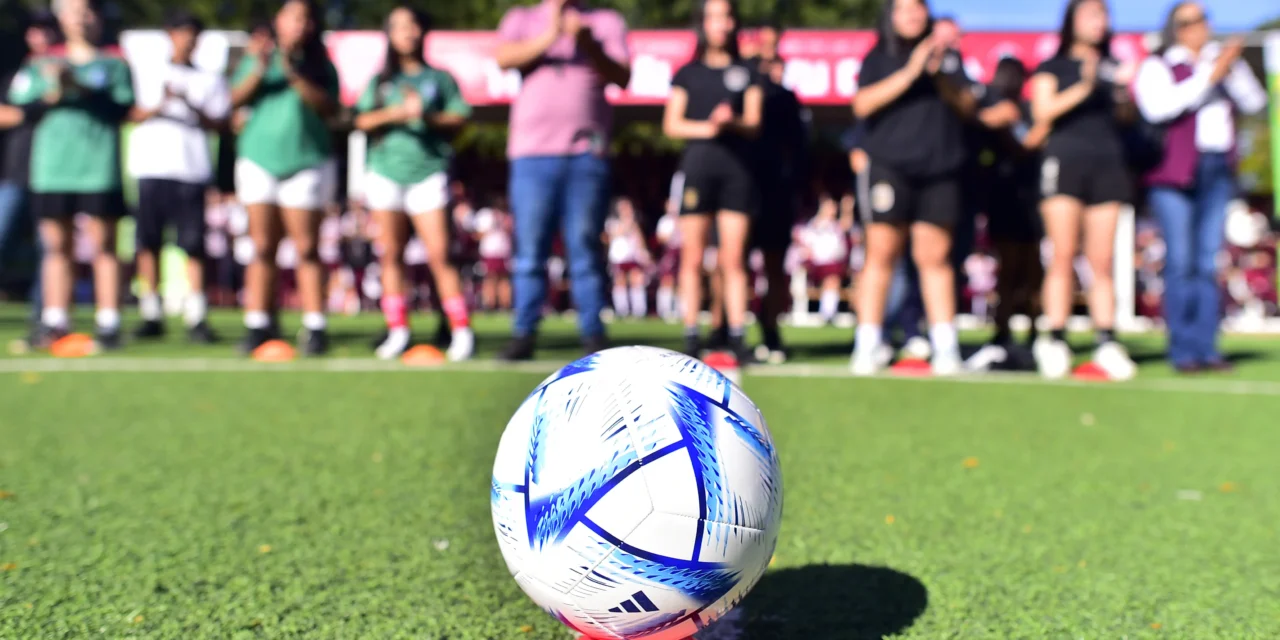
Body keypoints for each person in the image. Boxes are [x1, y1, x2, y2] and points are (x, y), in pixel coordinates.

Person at [493, 0, 631, 361]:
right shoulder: (522, 18)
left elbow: (623, 77)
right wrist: (551, 33)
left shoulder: (604, 21)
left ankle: (593, 333)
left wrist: (588, 44)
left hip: (586, 154)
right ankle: (524, 332)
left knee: (584, 248)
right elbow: (503, 58)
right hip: (531, 155)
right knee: (529, 250)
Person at [1134, 1, 1266, 373]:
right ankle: (1183, 350)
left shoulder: (1223, 62)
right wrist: (1209, 75)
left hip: (1217, 169)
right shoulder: (1159, 65)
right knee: (1180, 261)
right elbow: (1159, 109)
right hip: (1172, 174)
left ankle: (1208, 348)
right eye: (1189, 21)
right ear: (1176, 28)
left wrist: (1229, 70)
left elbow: (1255, 102)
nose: (1200, 27)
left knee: (1209, 262)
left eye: (1203, 19)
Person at [849, 0, 975, 376]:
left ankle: (946, 347)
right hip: (889, 167)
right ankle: (868, 344)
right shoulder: (878, 58)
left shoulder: (948, 59)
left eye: (918, 7)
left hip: (939, 169)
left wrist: (939, 76)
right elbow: (861, 104)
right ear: (891, 16)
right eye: (904, 9)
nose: (913, 15)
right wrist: (911, 71)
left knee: (936, 258)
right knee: (881, 255)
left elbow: (969, 107)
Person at [7, 0, 134, 349]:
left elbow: (122, 108)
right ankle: (54, 321)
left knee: (104, 245)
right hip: (53, 168)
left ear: (98, 18)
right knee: (56, 246)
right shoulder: (41, 64)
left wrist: (78, 85)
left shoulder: (114, 63)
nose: (80, 19)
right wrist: (53, 92)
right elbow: (22, 109)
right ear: (62, 19)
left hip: (98, 167)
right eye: (73, 12)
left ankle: (108, 323)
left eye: (87, 12)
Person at [354, 5, 475, 361]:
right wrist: (396, 113)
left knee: (440, 254)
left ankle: (461, 331)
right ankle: (398, 330)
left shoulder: (440, 78)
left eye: (413, 26)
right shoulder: (381, 81)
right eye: (400, 26)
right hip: (385, 173)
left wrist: (427, 115)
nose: (408, 32)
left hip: (428, 172)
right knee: (391, 254)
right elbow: (361, 120)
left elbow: (460, 117)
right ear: (389, 34)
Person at [1030, 0, 1139, 379]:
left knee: (1102, 260)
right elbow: (1042, 111)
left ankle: (1106, 340)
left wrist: (1122, 92)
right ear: (1072, 21)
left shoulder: (1115, 67)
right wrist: (1085, 85)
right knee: (1062, 254)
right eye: (1090, 13)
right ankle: (1055, 338)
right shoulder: (1053, 66)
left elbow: (1127, 119)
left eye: (1103, 14)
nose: (1098, 21)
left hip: (1107, 164)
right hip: (1065, 162)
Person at [231, 0, 339, 356]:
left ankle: (315, 325)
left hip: (306, 161)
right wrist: (260, 68)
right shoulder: (256, 57)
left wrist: (293, 73)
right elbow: (232, 99)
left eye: (306, 18)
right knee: (262, 246)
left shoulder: (321, 64)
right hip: (259, 160)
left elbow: (330, 108)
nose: (300, 25)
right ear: (277, 20)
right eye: (293, 17)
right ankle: (258, 323)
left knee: (307, 247)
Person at [663, 0, 763, 363]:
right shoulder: (688, 73)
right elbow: (671, 124)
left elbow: (754, 123)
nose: (721, 24)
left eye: (726, 17)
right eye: (713, 17)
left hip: (737, 173)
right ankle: (691, 335)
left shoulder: (747, 71)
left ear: (735, 23)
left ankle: (736, 335)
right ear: (703, 24)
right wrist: (709, 126)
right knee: (691, 257)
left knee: (733, 258)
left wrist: (732, 122)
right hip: (698, 169)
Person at [127, 10, 228, 344]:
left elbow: (220, 123)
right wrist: (160, 105)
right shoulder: (148, 72)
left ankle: (196, 314)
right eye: (182, 32)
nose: (187, 40)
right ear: (169, 35)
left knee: (193, 244)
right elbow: (131, 113)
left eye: (193, 34)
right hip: (152, 167)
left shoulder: (209, 78)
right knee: (148, 242)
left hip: (191, 170)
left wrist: (190, 105)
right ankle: (151, 312)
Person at [968, 57, 1049, 370]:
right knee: (1010, 270)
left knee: (1031, 270)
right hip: (1004, 197)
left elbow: (1029, 145)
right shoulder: (992, 111)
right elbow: (1016, 146)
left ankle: (1033, 331)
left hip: (1029, 197)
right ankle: (1003, 331)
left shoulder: (1026, 111)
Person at [0, 12, 58, 344]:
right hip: (16, 172)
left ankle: (44, 316)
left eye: (47, 31)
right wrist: (36, 109)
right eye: (36, 31)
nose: (41, 37)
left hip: (54, 173)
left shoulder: (64, 72)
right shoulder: (17, 76)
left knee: (49, 248)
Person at [751, 51, 807, 362]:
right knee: (730, 263)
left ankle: (771, 332)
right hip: (741, 188)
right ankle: (725, 332)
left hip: (776, 192)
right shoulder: (740, 92)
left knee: (775, 266)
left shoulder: (787, 100)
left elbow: (799, 148)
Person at [797, 194, 849, 324]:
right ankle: (827, 312)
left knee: (833, 280)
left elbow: (846, 225)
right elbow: (806, 241)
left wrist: (847, 209)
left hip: (834, 262)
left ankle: (828, 312)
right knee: (831, 279)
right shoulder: (815, 224)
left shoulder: (836, 225)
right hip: (818, 262)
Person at [604, 196, 650, 318]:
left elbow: (640, 240)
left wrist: (644, 253)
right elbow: (609, 237)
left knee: (637, 280)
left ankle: (639, 310)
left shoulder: (634, 223)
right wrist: (626, 225)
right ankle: (622, 310)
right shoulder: (612, 223)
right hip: (618, 257)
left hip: (632, 256)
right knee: (620, 281)